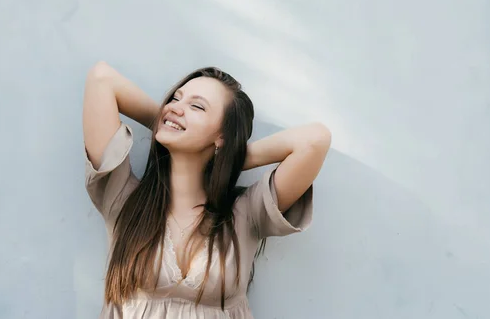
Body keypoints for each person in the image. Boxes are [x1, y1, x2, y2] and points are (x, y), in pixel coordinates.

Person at [83, 62, 331, 318]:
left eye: (196, 106)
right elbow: (102, 79)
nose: (175, 108)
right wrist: (166, 122)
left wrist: (233, 155)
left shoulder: (245, 213)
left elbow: (315, 140)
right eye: (175, 98)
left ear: (222, 135)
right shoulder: (123, 198)